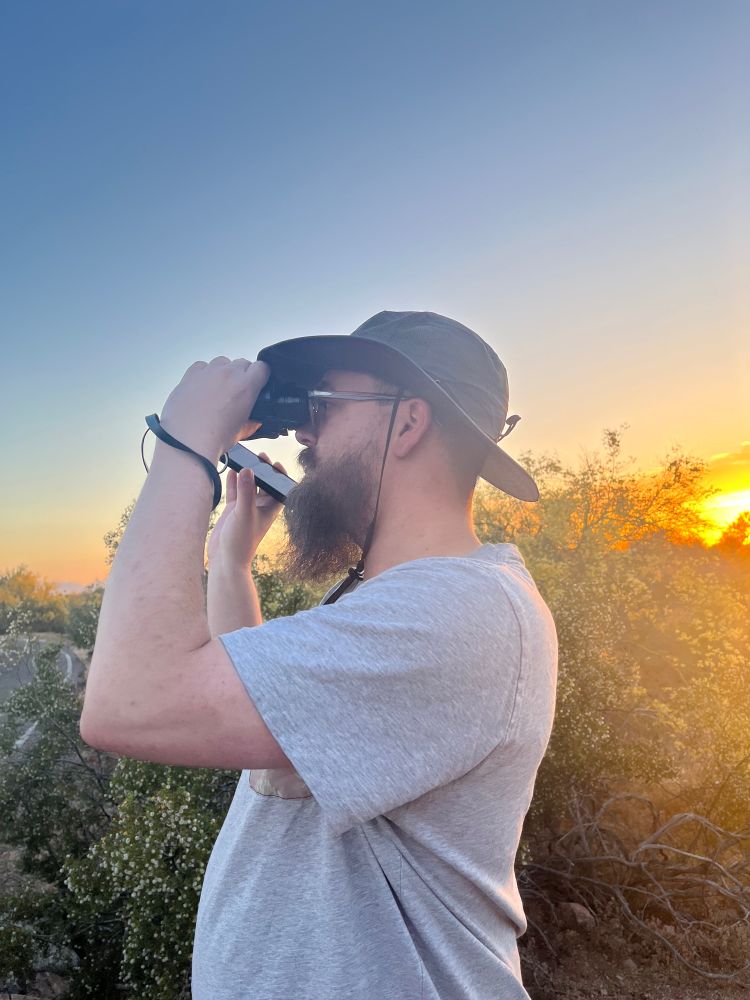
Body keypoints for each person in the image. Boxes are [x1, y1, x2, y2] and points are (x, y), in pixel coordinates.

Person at [81, 310, 558, 1000]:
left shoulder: (461, 611)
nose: (304, 432)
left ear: (409, 422)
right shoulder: (394, 600)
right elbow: (272, 745)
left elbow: (132, 703)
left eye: (326, 405)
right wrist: (231, 559)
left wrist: (186, 449)